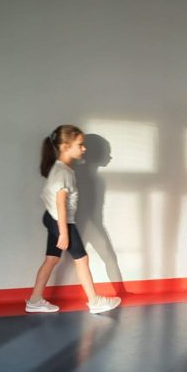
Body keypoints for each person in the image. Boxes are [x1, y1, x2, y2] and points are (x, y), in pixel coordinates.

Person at [26, 125, 121, 314]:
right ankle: (94, 301)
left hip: (52, 218)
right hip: (61, 221)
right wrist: (63, 232)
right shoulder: (63, 172)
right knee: (82, 259)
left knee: (51, 259)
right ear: (65, 147)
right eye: (80, 145)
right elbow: (60, 202)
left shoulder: (62, 169)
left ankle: (35, 300)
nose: (84, 148)